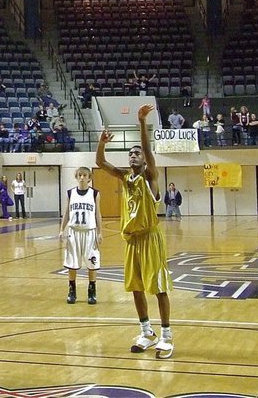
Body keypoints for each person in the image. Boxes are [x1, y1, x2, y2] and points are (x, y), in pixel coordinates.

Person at [96, 104, 174, 358]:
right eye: (130, 153)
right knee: (136, 287)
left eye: (137, 154)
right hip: (132, 242)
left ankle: (166, 336)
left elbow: (148, 151)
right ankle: (147, 331)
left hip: (151, 239)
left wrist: (142, 122)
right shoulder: (124, 178)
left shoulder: (150, 177)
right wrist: (102, 143)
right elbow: (100, 162)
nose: (133, 155)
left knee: (159, 288)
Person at [58, 167, 102, 305]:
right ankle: (72, 291)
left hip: (89, 232)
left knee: (92, 263)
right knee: (72, 263)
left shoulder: (95, 193)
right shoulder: (70, 193)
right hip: (74, 232)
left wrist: (100, 232)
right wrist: (61, 229)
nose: (82, 177)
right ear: (76, 177)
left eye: (85, 175)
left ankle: (92, 291)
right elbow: (67, 213)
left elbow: (98, 214)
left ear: (89, 178)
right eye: (80, 175)